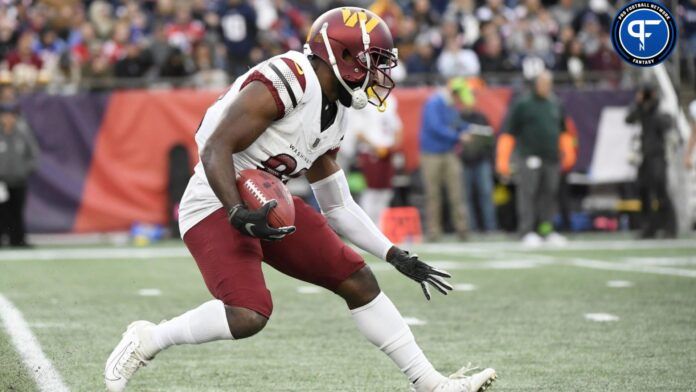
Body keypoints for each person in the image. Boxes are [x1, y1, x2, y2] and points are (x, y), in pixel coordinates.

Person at [104, 8, 496, 392]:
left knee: (357, 279)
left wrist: (394, 254)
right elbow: (215, 148)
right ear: (342, 56)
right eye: (373, 61)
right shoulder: (290, 78)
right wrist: (236, 211)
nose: (380, 73)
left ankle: (432, 384)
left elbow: (338, 205)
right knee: (247, 314)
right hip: (213, 199)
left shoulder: (337, 112)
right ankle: (150, 339)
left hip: (269, 203)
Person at [496, 71, 575, 246]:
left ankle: (546, 231)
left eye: (549, 83)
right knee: (528, 194)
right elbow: (508, 132)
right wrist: (503, 160)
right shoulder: (523, 104)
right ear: (535, 84)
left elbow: (564, 131)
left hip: (551, 157)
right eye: (544, 83)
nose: (547, 86)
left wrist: (568, 152)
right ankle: (527, 231)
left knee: (548, 195)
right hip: (528, 156)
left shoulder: (555, 103)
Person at [419, 79, 472, 241]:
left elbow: (456, 123)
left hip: (448, 153)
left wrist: (468, 128)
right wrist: (458, 136)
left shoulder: (451, 106)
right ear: (453, 93)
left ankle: (462, 229)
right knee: (433, 194)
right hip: (431, 154)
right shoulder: (434, 103)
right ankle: (433, 231)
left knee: (457, 192)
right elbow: (435, 127)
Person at [625, 84, 676, 239]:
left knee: (661, 192)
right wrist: (640, 105)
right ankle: (649, 227)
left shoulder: (660, 108)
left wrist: (652, 107)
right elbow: (628, 119)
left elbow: (668, 125)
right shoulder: (641, 110)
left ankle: (670, 228)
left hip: (658, 157)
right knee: (644, 192)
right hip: (645, 157)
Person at [346, 94, 402, 223]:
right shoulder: (363, 102)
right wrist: (376, 147)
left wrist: (393, 148)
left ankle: (380, 226)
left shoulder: (390, 101)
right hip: (369, 152)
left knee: (386, 191)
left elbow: (398, 127)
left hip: (387, 151)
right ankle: (367, 226)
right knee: (371, 190)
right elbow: (358, 132)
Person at [453, 79, 497, 232]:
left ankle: (490, 227)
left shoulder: (481, 117)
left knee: (485, 195)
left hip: (481, 161)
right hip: (464, 161)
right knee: (467, 197)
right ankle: (471, 228)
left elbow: (490, 139)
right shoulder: (457, 118)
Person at [0, 102, 39, 248]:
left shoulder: (23, 133)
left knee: (17, 211)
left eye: (11, 116)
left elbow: (34, 155)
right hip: (1, 183)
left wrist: (24, 170)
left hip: (18, 180)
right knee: (2, 213)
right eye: (5, 115)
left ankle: (17, 239)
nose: (8, 119)